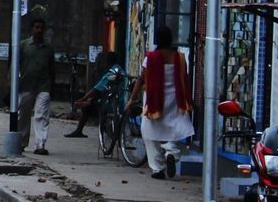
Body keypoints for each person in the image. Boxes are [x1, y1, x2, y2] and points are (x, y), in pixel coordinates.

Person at [128, 24, 193, 179]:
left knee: (149, 132)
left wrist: (132, 98)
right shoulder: (179, 58)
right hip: (175, 101)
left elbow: (141, 79)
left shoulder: (151, 58)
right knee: (173, 129)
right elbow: (185, 79)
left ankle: (157, 168)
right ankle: (171, 152)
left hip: (155, 101)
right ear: (171, 39)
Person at [65, 51, 127, 138]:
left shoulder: (112, 72)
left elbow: (97, 89)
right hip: (120, 101)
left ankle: (79, 130)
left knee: (87, 107)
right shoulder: (119, 69)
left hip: (112, 104)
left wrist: (83, 98)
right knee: (95, 99)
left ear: (107, 61)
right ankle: (90, 104)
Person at [18, 17, 56, 156]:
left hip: (43, 86)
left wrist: (53, 86)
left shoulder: (48, 48)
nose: (39, 30)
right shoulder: (23, 46)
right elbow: (15, 65)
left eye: (41, 28)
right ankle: (21, 141)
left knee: (41, 115)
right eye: (36, 27)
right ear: (32, 29)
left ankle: (40, 144)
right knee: (23, 115)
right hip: (26, 85)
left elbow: (52, 69)